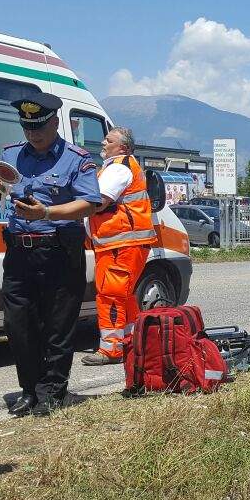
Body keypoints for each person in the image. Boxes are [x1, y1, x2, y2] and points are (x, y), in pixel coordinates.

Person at [0, 92, 102, 416]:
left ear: (55, 122)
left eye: (40, 127)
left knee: (58, 327)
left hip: (59, 251)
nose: (33, 133)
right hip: (19, 252)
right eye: (27, 127)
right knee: (18, 325)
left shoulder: (77, 159)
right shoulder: (11, 155)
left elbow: (90, 202)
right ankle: (30, 389)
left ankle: (52, 392)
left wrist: (47, 213)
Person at [81, 126, 158, 365]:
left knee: (111, 295)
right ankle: (131, 343)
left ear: (122, 147)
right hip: (122, 243)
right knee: (123, 296)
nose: (103, 143)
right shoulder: (123, 166)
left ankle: (111, 349)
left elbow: (100, 202)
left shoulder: (118, 167)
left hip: (120, 244)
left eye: (108, 140)